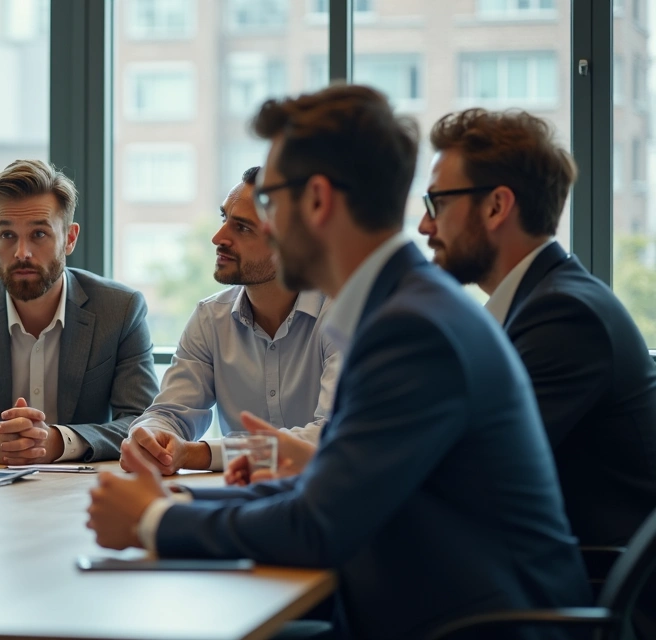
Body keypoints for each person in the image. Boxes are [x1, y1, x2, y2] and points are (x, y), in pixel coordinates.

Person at [86, 84, 590, 640]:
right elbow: (335, 482)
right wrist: (174, 497)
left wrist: (152, 520)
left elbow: (319, 524)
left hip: (472, 627)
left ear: (319, 201)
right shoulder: (403, 307)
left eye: (270, 204)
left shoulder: (411, 329)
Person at [418, 108, 656, 548]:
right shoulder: (540, 303)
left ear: (496, 206)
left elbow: (471, 472)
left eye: (438, 202)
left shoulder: (565, 317)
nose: (424, 225)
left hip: (584, 593)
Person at [0, 159, 158, 464]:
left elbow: (144, 423)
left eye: (39, 235)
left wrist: (60, 442)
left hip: (81, 493)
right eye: (7, 235)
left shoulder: (120, 310)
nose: (22, 252)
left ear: (70, 238)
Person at [120, 166, 338, 475]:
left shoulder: (341, 315)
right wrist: (151, 437)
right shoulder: (210, 318)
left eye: (243, 228)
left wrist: (197, 454)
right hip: (243, 499)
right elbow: (170, 413)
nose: (218, 237)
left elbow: (329, 437)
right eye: (224, 219)